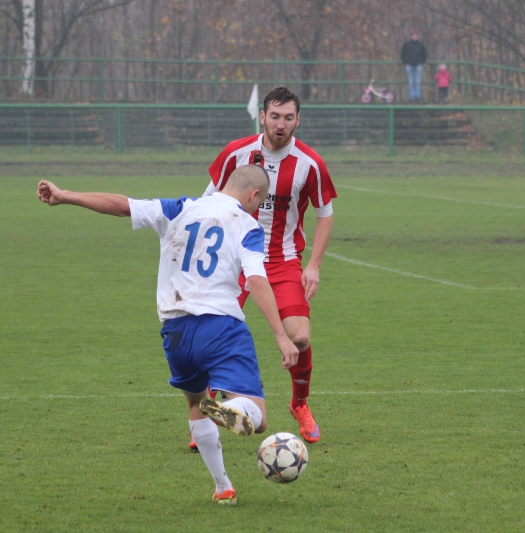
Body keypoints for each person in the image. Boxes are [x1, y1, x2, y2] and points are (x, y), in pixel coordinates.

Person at [36, 166, 299, 506]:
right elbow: (257, 280)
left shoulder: (180, 208)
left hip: (175, 329)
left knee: (195, 403)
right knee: (257, 418)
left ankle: (223, 487)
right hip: (220, 326)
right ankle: (229, 408)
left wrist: (64, 196)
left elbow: (122, 205)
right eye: (259, 203)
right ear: (253, 195)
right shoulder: (247, 225)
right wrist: (281, 335)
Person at [204, 86, 336, 446]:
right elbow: (208, 199)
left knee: (300, 337)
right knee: (213, 334)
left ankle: (300, 403)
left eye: (288, 117)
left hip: (282, 260)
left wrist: (314, 265)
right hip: (234, 259)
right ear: (262, 116)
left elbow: (325, 213)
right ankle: (205, 420)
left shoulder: (310, 163)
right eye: (274, 116)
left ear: (298, 120)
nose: (281, 124)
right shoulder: (236, 153)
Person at [400, 31, 427, 101]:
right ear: (411, 36)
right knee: (411, 82)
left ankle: (418, 96)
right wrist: (405, 61)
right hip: (409, 65)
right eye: (413, 36)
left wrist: (422, 61)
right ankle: (412, 96)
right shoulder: (407, 45)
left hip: (418, 65)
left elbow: (424, 54)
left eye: (416, 36)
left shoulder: (421, 45)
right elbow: (403, 53)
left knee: (417, 82)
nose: (415, 37)